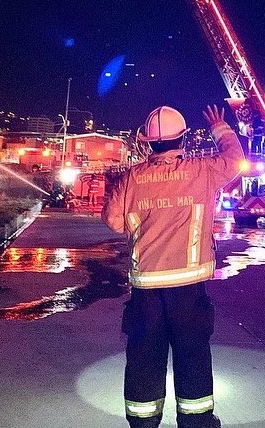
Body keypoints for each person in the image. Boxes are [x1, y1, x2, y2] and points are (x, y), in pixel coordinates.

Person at [103, 105, 244, 428]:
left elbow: (112, 221)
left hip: (146, 290)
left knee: (144, 358)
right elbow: (235, 160)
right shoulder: (202, 171)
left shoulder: (131, 178)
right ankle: (196, 423)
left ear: (148, 143)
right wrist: (220, 126)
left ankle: (142, 423)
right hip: (188, 290)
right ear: (183, 139)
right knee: (192, 354)